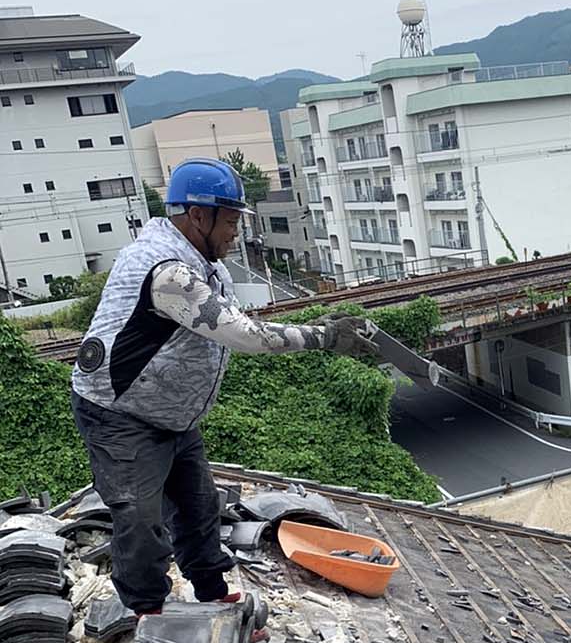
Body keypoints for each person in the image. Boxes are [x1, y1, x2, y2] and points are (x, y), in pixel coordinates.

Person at [71, 157, 378, 619]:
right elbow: (243, 335)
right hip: (121, 414)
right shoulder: (167, 271)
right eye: (231, 221)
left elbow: (238, 322)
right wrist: (323, 336)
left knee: (197, 506)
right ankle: (147, 612)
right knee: (139, 518)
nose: (237, 232)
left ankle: (211, 591)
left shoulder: (205, 263)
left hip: (172, 412)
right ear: (199, 216)